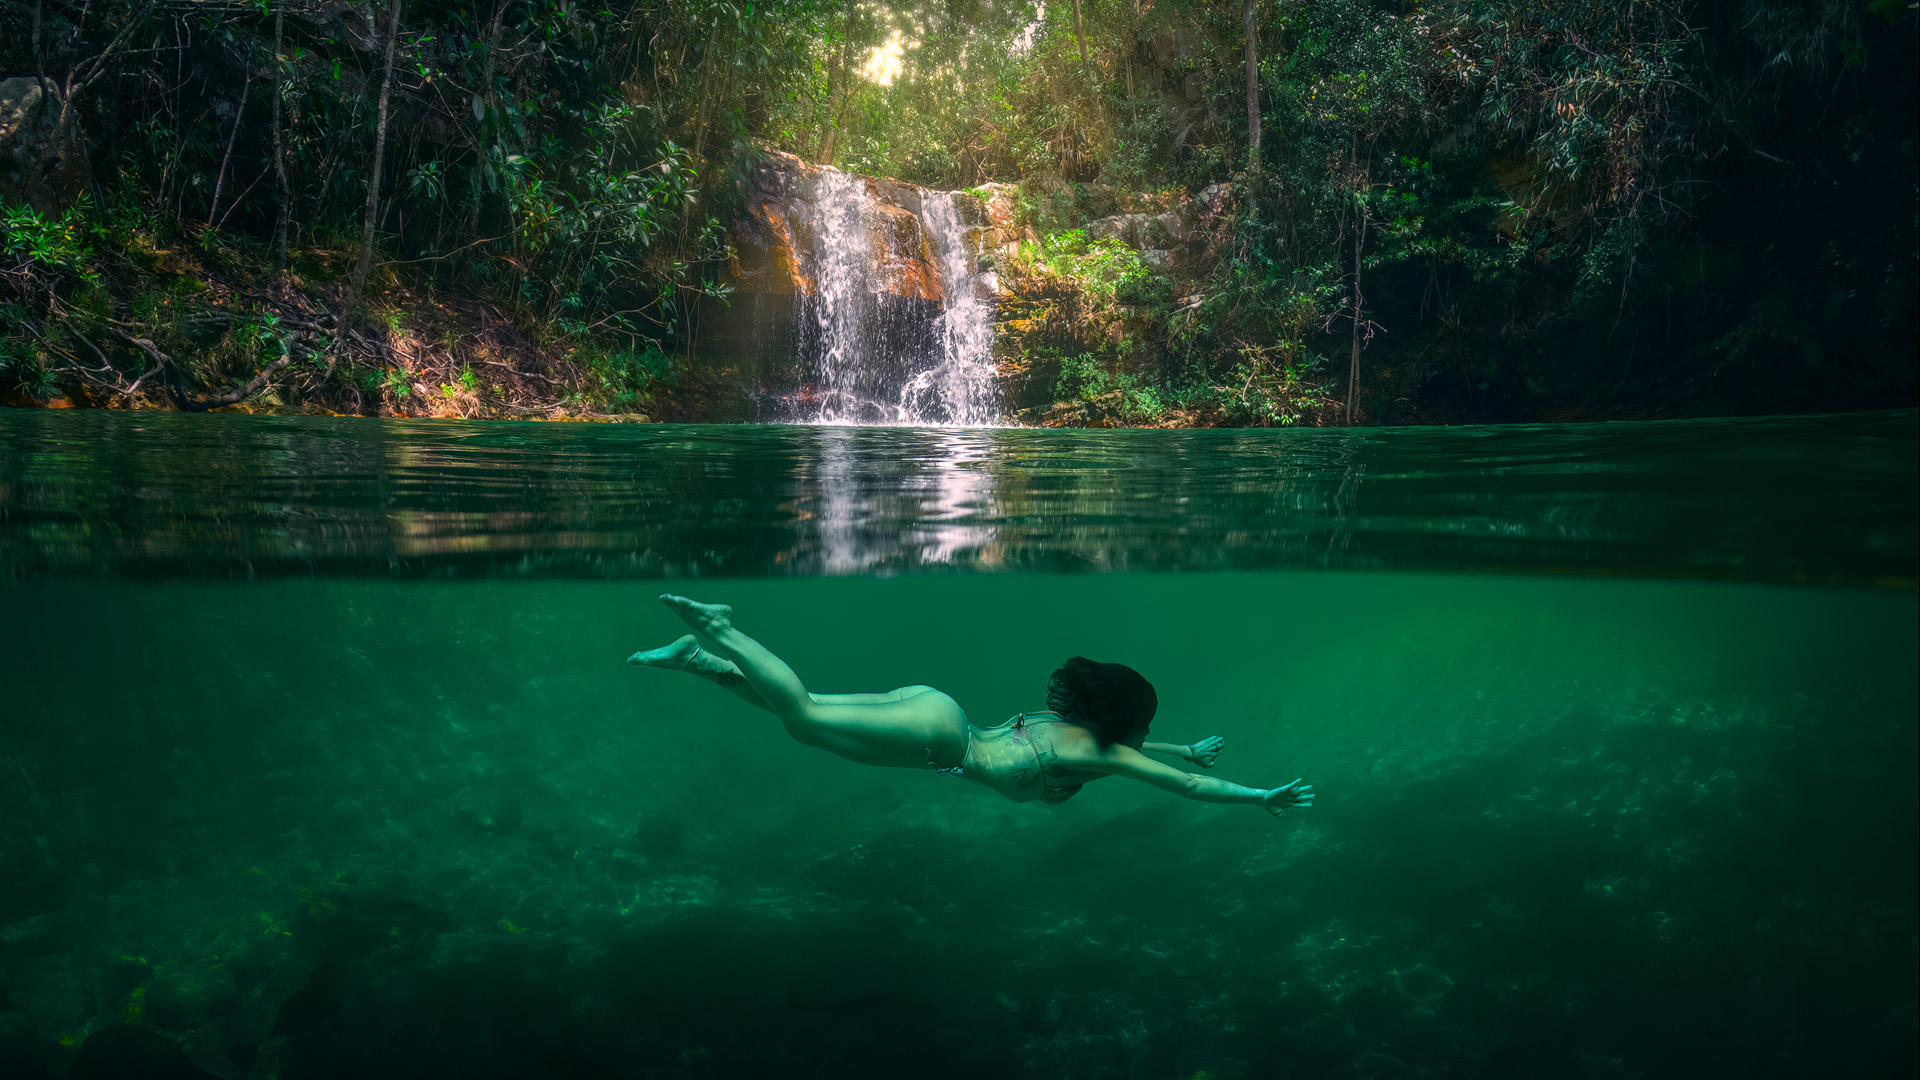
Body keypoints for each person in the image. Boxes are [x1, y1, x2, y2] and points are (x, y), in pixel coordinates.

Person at [628, 594, 1315, 816]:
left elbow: (1153, 759)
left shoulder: (1083, 735)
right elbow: (1187, 787)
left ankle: (705, 665)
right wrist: (1258, 798)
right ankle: (719, 630)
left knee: (807, 720)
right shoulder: (1098, 750)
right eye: (1146, 728)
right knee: (804, 717)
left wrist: (1183, 745)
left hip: (935, 713)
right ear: (1124, 724)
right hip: (941, 740)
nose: (1145, 738)